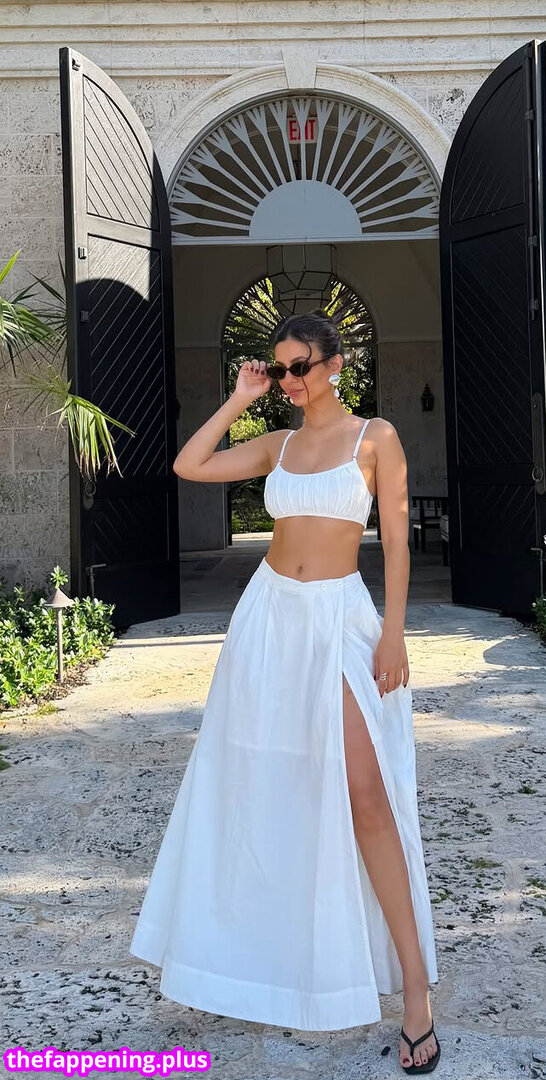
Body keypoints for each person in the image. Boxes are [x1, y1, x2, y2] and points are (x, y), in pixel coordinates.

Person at [129, 309, 441, 1075]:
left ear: (335, 364)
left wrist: (394, 634)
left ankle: (415, 993)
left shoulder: (376, 438)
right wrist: (240, 396)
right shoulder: (277, 444)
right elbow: (190, 465)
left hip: (340, 623)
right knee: (262, 787)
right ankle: (270, 963)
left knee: (366, 796)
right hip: (268, 622)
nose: (289, 380)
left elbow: (397, 541)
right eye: (280, 368)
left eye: (300, 365)